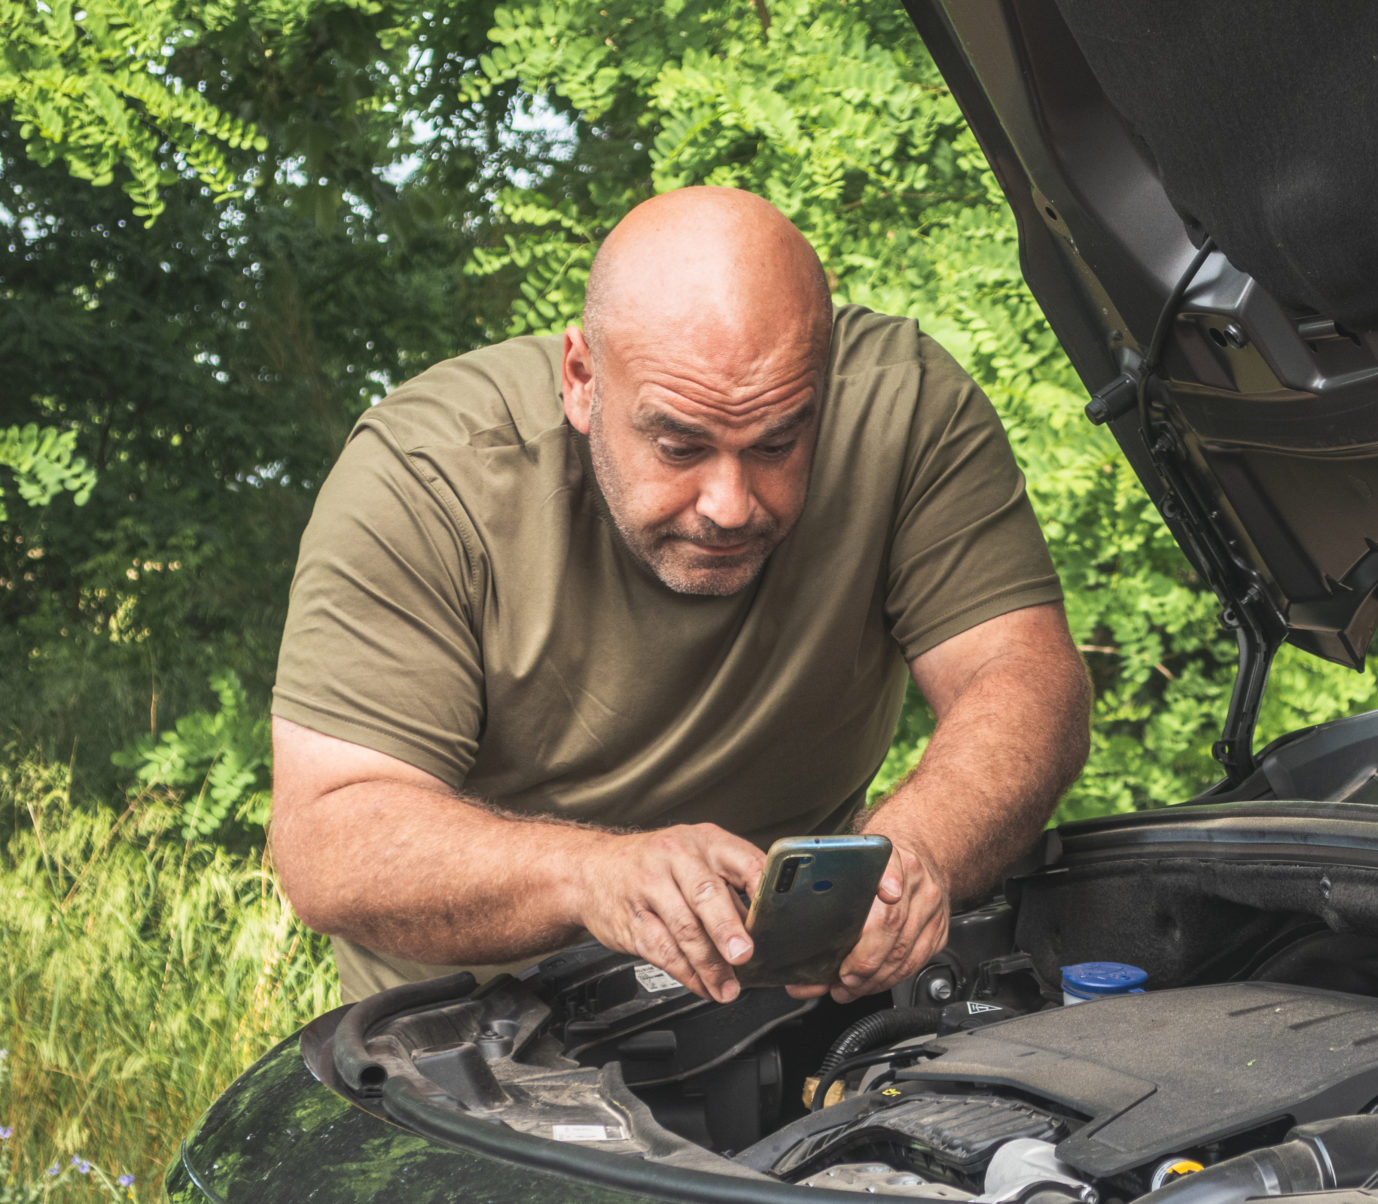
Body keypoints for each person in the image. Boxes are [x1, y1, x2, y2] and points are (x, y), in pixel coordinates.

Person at [267, 187, 1092, 1004]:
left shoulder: (906, 409)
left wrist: (911, 857)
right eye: (678, 445)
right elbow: (330, 839)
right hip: (476, 1034)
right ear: (582, 379)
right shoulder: (425, 477)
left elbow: (1024, 674)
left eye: (776, 443)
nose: (730, 505)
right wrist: (593, 876)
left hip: (796, 999)